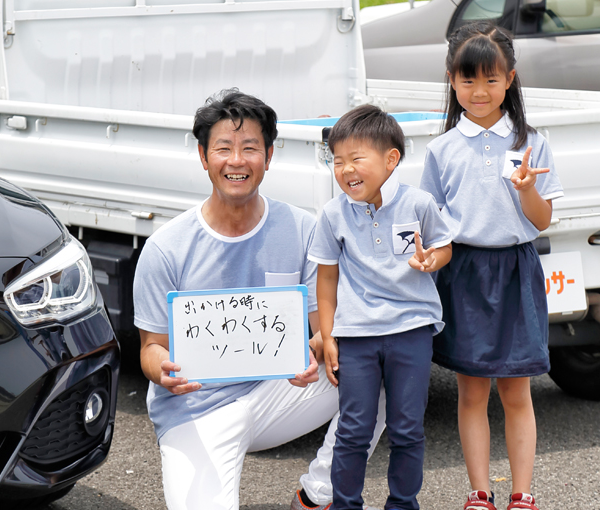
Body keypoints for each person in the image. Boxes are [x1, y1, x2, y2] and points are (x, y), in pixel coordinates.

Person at [133, 89, 385, 510]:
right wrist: (164, 372)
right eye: (224, 149)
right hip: (196, 406)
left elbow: (320, 324)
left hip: (279, 390)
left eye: (250, 148)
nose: (237, 161)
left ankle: (317, 495)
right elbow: (150, 348)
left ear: (268, 156)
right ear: (203, 156)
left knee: (378, 366)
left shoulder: (303, 229)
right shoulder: (166, 248)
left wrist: (317, 346)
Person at [419, 22, 564, 510]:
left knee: (517, 391)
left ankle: (522, 494)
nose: (479, 92)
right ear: (451, 80)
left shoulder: (530, 142)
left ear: (510, 80)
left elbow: (541, 221)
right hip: (463, 274)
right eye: (467, 80)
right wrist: (425, 258)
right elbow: (435, 225)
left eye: (490, 80)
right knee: (472, 391)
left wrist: (526, 190)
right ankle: (479, 493)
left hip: (517, 271)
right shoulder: (441, 149)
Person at [308, 104, 453, 510]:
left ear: (391, 160)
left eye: (356, 158)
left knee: (408, 428)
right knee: (353, 429)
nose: (345, 170)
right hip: (355, 335)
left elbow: (444, 246)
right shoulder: (333, 214)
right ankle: (345, 504)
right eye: (337, 161)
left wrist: (432, 260)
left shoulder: (418, 203)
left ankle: (403, 504)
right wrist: (330, 333)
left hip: (411, 330)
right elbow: (327, 277)